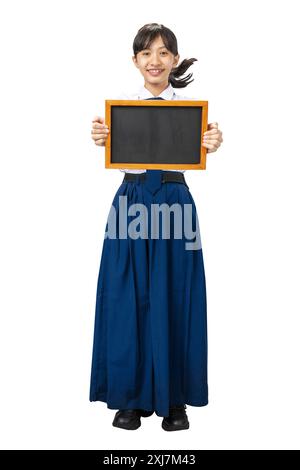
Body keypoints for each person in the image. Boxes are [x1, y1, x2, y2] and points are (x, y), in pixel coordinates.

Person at [90, 23, 223, 431]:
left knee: (175, 295)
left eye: (164, 53)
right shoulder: (119, 111)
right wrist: (101, 137)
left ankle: (174, 400)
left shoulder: (193, 112)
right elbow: (111, 145)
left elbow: (200, 147)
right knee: (126, 296)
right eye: (147, 53)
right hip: (130, 201)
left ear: (175, 60)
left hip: (174, 201)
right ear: (135, 61)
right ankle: (128, 399)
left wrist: (212, 141)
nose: (155, 60)